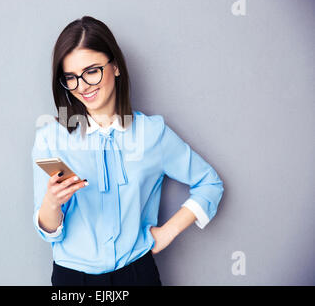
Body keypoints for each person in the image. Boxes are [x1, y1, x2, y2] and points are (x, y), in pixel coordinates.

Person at [31, 16, 224, 286]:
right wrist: (51, 202)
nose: (83, 86)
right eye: (71, 78)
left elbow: (209, 183)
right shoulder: (49, 140)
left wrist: (167, 232)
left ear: (116, 66)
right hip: (72, 280)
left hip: (137, 275)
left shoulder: (152, 134)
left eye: (92, 71)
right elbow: (50, 233)